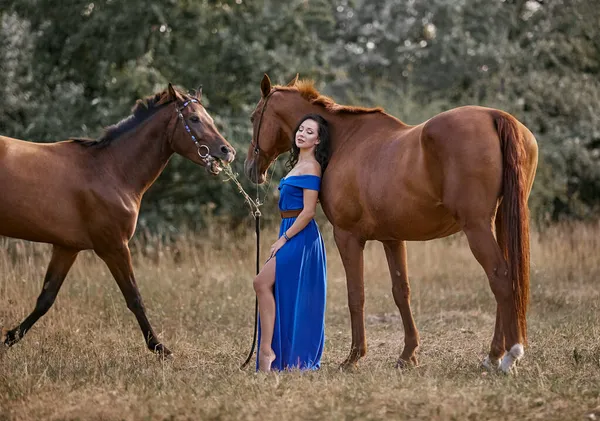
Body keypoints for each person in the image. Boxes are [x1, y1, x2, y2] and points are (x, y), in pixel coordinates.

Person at [253, 113, 331, 372]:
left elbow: (308, 211)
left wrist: (284, 239)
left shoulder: (312, 168)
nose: (302, 133)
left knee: (261, 282)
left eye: (310, 132)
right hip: (288, 228)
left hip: (301, 236)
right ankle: (271, 351)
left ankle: (268, 351)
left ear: (318, 140)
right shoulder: (296, 166)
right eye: (301, 129)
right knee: (276, 288)